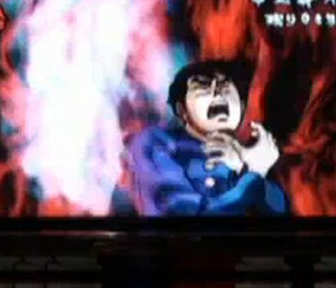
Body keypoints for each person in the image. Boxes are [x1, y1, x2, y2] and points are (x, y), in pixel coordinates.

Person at [124, 60, 289, 216]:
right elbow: (189, 215)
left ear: (242, 106)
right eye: (203, 87)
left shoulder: (242, 154)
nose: (217, 92)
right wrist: (254, 173)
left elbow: (278, 213)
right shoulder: (158, 142)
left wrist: (245, 168)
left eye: (225, 86)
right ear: (182, 110)